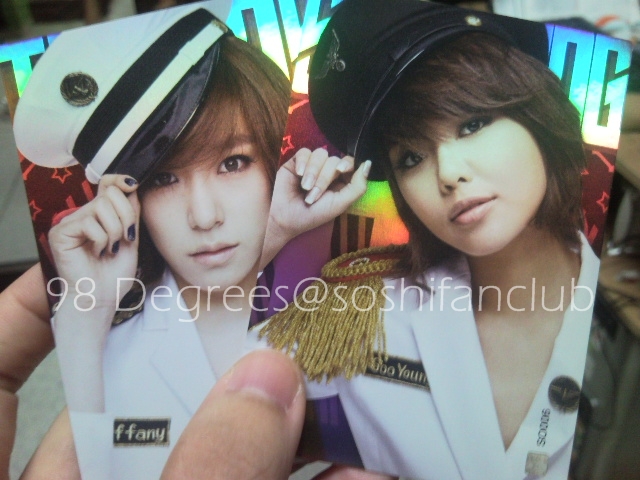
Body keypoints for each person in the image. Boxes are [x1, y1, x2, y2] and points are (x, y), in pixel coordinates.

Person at [254, 0, 601, 479]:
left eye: (473, 124)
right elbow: (190, 385)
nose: (449, 174)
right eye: (412, 158)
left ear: (538, 117)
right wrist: (274, 228)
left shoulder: (616, 312)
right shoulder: (365, 315)